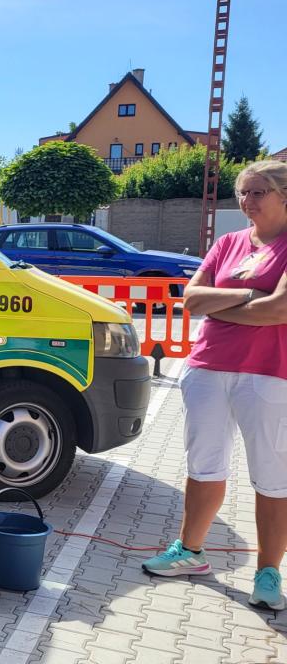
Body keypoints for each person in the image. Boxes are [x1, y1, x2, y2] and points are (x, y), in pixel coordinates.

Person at [143, 160, 287, 611]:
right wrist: (249, 296)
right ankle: (190, 552)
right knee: (203, 464)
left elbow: (280, 310)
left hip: (268, 373)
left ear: (283, 195)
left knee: (272, 475)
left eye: (258, 192)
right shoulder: (227, 243)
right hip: (207, 366)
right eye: (243, 192)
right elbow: (191, 299)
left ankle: (268, 573)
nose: (247, 201)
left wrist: (222, 306)